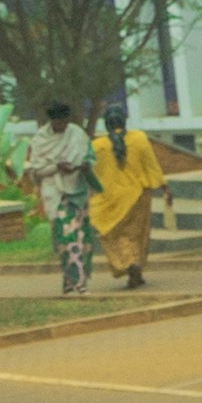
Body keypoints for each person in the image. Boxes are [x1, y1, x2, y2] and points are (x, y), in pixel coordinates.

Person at [91, 107, 175, 288]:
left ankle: (129, 265)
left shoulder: (97, 146)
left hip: (110, 199)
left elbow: (91, 173)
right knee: (137, 235)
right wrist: (164, 187)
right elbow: (151, 165)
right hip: (138, 195)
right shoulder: (139, 138)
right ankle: (135, 265)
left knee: (114, 235)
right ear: (124, 120)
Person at [31, 105, 99, 293]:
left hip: (77, 192)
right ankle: (72, 277)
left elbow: (90, 158)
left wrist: (84, 166)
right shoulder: (40, 139)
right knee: (65, 238)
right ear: (52, 121)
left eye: (66, 121)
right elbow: (36, 172)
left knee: (81, 237)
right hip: (55, 193)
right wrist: (57, 167)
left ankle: (78, 280)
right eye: (59, 122)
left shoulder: (77, 134)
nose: (63, 125)